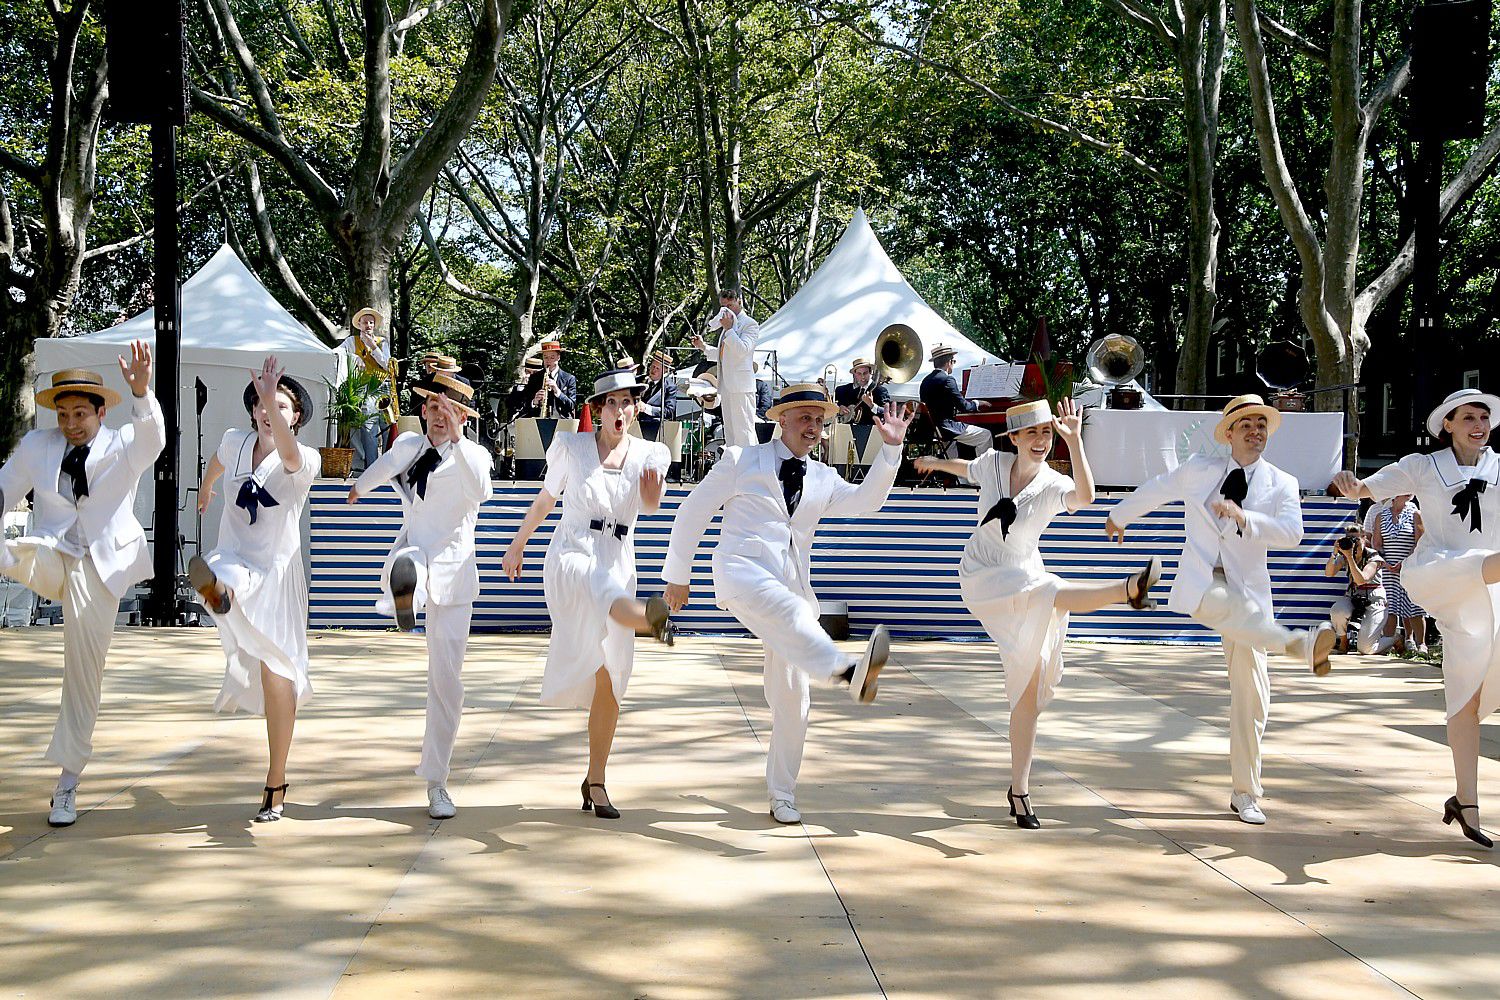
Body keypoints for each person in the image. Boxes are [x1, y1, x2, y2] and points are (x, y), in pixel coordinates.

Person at [663, 384, 914, 824]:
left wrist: (890, 450)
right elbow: (693, 511)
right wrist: (678, 576)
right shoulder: (741, 461)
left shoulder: (822, 477)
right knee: (797, 614)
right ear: (781, 419)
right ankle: (847, 671)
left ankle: (782, 793)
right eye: (804, 418)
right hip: (741, 573)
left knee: (793, 701)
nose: (813, 427)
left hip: (792, 588)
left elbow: (865, 502)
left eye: (819, 420)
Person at [915, 398, 1160, 829]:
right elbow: (965, 470)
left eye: (1047, 433)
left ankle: (1020, 790)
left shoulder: (1051, 482)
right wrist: (935, 462)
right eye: (1033, 433)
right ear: (1014, 438)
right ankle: (1125, 591)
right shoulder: (992, 463)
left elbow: (1086, 496)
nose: (1042, 441)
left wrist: (1075, 441)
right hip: (983, 573)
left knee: (1028, 693)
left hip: (1023, 574)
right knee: (1050, 590)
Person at [1106, 394, 1336, 826]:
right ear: (1228, 434)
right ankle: (1301, 646)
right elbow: (1158, 488)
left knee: (1252, 696)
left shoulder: (1281, 483)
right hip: (1204, 582)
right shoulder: (1200, 471)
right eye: (1245, 425)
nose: (1255, 432)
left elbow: (1293, 534)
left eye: (1261, 425)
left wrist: (1246, 518)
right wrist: (1120, 515)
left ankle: (1245, 792)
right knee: (1229, 610)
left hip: (1249, 593)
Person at [0, 345, 164, 826]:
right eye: (63, 413)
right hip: (51, 555)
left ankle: (67, 782)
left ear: (100, 411)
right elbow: (4, 487)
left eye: (80, 414)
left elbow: (153, 437)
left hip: (101, 565)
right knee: (20, 549)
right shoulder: (37, 447)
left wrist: (141, 391)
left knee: (82, 672)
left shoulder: (123, 446)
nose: (71, 423)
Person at [501, 368, 675, 819]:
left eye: (628, 402)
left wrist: (652, 496)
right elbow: (545, 499)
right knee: (598, 587)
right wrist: (518, 544)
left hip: (619, 559)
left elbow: (652, 507)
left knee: (611, 678)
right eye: (612, 403)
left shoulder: (651, 453)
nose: (621, 410)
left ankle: (595, 779)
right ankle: (644, 618)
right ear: (597, 410)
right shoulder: (572, 447)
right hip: (572, 554)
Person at [1332, 387, 1500, 849]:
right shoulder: (1422, 467)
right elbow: (1367, 488)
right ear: (1448, 424)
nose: (1478, 423)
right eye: (1468, 416)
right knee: (1479, 563)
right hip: (1441, 569)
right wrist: (1353, 485)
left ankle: (1466, 801)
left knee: (1466, 694)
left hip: (1487, 594)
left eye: (1484, 416)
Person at [347, 369, 494, 820]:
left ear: (463, 417)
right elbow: (385, 466)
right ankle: (404, 597)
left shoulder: (475, 455)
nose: (437, 415)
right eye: (432, 406)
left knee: (445, 682)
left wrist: (462, 437)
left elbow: (482, 490)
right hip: (415, 553)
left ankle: (438, 781)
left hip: (455, 572)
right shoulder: (410, 445)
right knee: (407, 563)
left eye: (447, 409)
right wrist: (358, 487)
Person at [189, 357, 321, 822]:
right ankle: (219, 592)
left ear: (296, 415)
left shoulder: (306, 460)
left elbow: (286, 456)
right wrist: (206, 490)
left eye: (281, 405)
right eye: (264, 405)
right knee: (218, 570)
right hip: (233, 559)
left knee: (277, 675)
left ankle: (276, 777)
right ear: (251, 412)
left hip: (277, 576)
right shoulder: (235, 440)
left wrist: (270, 395)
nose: (269, 412)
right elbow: (220, 461)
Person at [691, 286, 760, 448]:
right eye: (723, 306)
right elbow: (724, 356)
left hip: (741, 388)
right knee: (730, 434)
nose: (725, 310)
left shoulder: (749, 324)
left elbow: (742, 350)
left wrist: (729, 329)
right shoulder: (726, 328)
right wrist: (703, 347)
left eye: (729, 306)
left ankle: (749, 468)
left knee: (745, 432)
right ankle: (735, 467)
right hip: (726, 387)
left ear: (739, 302)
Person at [1324, 524, 1394, 656]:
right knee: (1337, 610)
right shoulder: (1345, 555)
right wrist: (1334, 553)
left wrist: (1350, 557)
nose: (1354, 543)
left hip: (1374, 600)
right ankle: (1343, 641)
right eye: (1350, 539)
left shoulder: (1374, 556)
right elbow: (1329, 573)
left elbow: (1362, 579)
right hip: (1353, 596)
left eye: (1356, 539)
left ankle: (1395, 639)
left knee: (1366, 649)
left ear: (1364, 538)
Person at [1374, 493, 1428, 654]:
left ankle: (1421, 645)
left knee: (1414, 606)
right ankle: (1388, 644)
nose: (1409, 493)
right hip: (1388, 568)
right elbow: (1377, 543)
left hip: (1410, 567)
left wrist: (1404, 563)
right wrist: (1384, 562)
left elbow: (1420, 543)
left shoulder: (1415, 514)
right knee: (1389, 607)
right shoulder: (1381, 516)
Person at [341, 308, 393, 472]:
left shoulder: (381, 341)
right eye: (365, 322)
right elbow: (337, 353)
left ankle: (387, 468)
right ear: (359, 325)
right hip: (364, 388)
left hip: (383, 386)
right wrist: (354, 357)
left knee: (387, 426)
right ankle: (372, 468)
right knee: (368, 428)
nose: (368, 325)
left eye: (371, 322)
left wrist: (373, 347)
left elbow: (387, 364)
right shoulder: (351, 341)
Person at [919, 343, 992, 456]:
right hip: (946, 429)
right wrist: (978, 403)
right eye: (954, 362)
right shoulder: (948, 380)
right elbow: (964, 407)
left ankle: (957, 473)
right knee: (985, 435)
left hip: (931, 429)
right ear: (949, 362)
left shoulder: (925, 381)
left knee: (951, 446)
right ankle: (983, 471)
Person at [508, 341, 577, 418]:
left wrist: (557, 391)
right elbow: (522, 404)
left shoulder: (569, 378)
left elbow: (571, 405)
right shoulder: (535, 377)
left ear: (558, 357)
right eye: (545, 357)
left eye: (552, 357)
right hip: (537, 420)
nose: (548, 360)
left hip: (562, 421)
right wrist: (534, 401)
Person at [835, 358, 891, 425]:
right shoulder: (848, 391)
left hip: (872, 432)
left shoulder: (880, 391)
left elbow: (888, 414)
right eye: (859, 374)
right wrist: (839, 409)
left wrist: (872, 406)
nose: (863, 377)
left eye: (865, 373)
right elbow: (836, 408)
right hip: (849, 432)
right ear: (855, 375)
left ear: (871, 372)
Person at [638, 350, 677, 440]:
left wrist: (646, 408)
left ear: (665, 371)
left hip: (654, 430)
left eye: (657, 369)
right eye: (653, 366)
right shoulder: (639, 380)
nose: (653, 370)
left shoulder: (669, 387)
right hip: (633, 428)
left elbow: (669, 411)